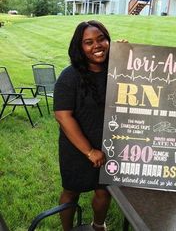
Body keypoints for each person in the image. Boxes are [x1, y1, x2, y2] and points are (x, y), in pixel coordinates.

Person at [53, 20, 111, 231]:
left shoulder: (118, 71)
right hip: (76, 148)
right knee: (71, 191)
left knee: (104, 191)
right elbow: (63, 116)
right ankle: (67, 230)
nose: (97, 45)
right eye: (88, 42)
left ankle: (98, 226)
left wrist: (128, 54)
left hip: (108, 145)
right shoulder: (69, 77)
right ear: (80, 47)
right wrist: (89, 151)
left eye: (101, 39)